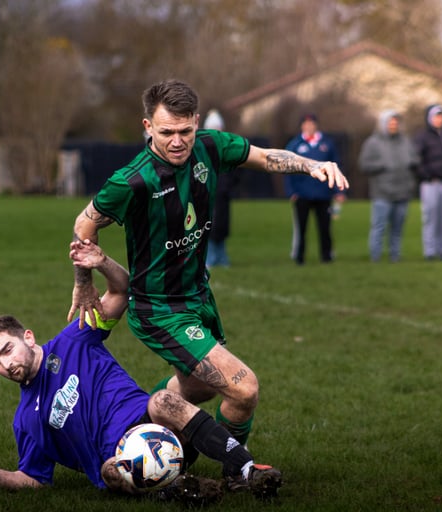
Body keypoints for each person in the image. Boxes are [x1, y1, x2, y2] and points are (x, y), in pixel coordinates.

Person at [68, 79, 348, 449]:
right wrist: (84, 283)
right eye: (166, 132)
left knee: (198, 389)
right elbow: (84, 223)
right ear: (148, 126)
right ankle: (238, 468)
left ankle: (140, 424)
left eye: (185, 131)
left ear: (197, 122)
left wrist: (312, 165)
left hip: (198, 296)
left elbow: (264, 157)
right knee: (243, 389)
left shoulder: (211, 146)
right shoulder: (132, 181)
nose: (177, 141)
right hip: (159, 308)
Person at [0, 240, 282, 501]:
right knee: (109, 471)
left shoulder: (73, 339)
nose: (6, 364)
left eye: (7, 350)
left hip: (158, 426)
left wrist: (102, 262)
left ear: (28, 337)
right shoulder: (26, 419)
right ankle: (179, 490)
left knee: (162, 400)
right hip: (119, 459)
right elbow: (34, 478)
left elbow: (121, 292)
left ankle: (244, 468)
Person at [358, 110, 420, 262]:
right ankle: (375, 258)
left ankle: (395, 257)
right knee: (379, 227)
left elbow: (415, 159)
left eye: (395, 123)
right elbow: (364, 165)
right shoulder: (373, 142)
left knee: (397, 229)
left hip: (403, 192)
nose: (393, 125)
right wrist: (382, 165)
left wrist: (411, 163)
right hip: (382, 193)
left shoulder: (405, 141)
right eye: (390, 123)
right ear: (383, 124)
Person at [284, 113, 346, 264]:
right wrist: (291, 191)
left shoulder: (327, 144)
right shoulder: (295, 144)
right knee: (301, 228)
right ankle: (299, 257)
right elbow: (286, 168)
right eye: (306, 124)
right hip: (302, 193)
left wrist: (339, 190)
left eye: (311, 123)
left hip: (323, 193)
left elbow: (336, 166)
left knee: (325, 227)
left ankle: (327, 257)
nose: (309, 126)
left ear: (316, 125)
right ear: (302, 126)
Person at [413, 104, 442, 260]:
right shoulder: (422, 137)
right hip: (431, 183)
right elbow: (416, 160)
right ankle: (430, 251)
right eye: (436, 116)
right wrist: (426, 175)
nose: (439, 119)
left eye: (441, 116)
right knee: (430, 218)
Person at [202, 109, 234, 268]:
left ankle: (221, 257)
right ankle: (210, 258)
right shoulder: (201, 149)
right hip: (207, 195)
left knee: (221, 226)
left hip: (222, 195)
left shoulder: (227, 148)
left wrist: (226, 186)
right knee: (208, 225)